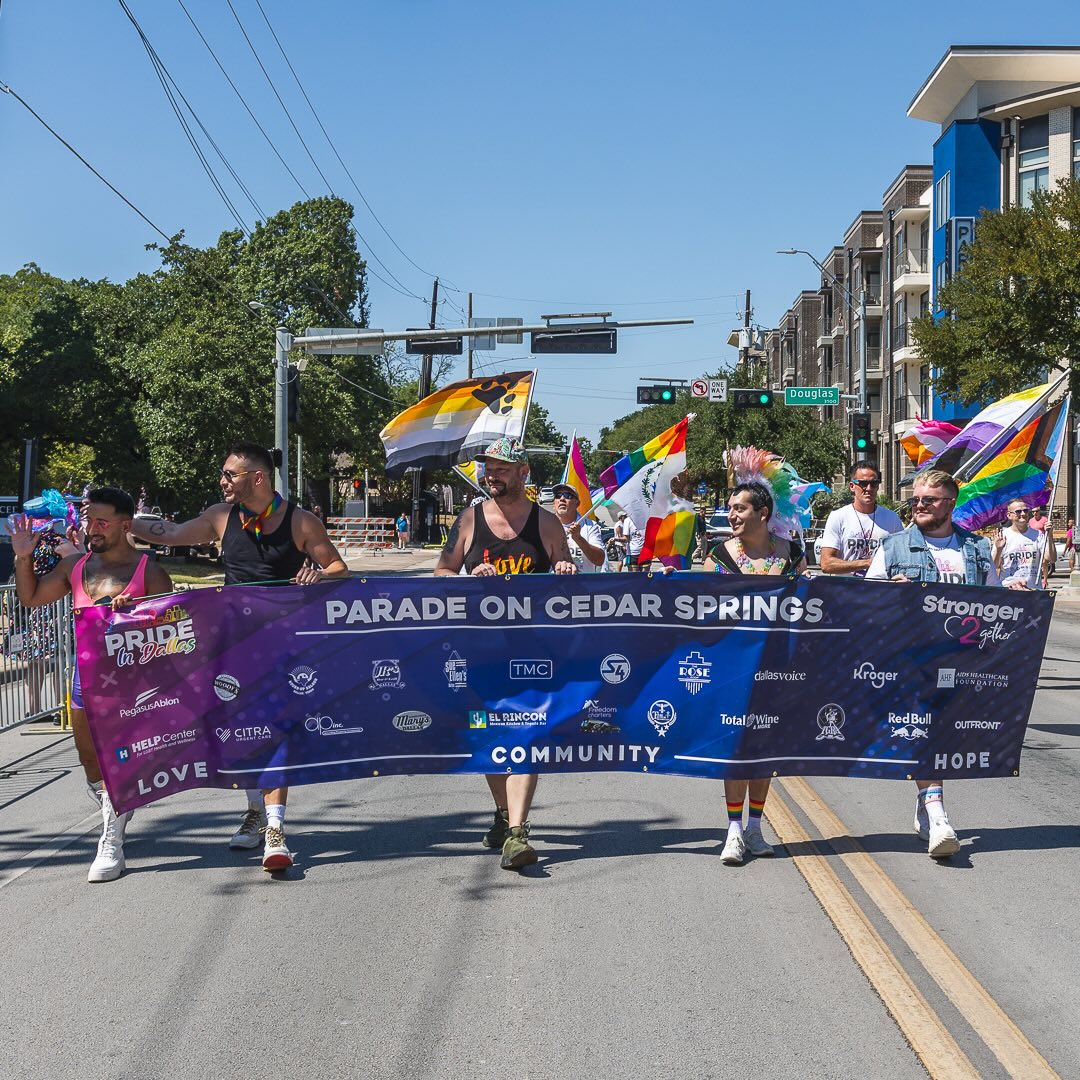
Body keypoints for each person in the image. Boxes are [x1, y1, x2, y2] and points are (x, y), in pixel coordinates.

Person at [129, 442, 349, 872]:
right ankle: (255, 811)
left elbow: (340, 570)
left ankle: (275, 829)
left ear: (258, 478)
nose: (223, 480)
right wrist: (125, 523)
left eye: (231, 474)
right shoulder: (221, 516)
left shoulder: (301, 521)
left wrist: (319, 575)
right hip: (231, 646)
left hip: (284, 645)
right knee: (240, 735)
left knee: (275, 732)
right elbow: (170, 533)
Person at [10, 488, 174, 882]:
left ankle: (111, 838)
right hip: (88, 681)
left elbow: (174, 633)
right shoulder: (76, 568)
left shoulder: (149, 571)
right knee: (89, 760)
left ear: (125, 524)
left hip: (137, 688)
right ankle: (111, 804)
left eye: (101, 521)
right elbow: (30, 598)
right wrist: (22, 556)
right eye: (88, 521)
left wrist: (137, 616)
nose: (92, 528)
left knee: (122, 762)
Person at [866, 469, 1026, 858]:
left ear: (950, 504)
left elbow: (989, 601)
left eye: (929, 500)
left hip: (962, 662)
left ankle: (926, 803)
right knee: (924, 732)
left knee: (944, 736)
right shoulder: (893, 547)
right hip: (911, 660)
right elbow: (864, 604)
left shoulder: (975, 548)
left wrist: (1012, 592)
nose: (919, 505)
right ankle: (939, 818)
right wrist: (890, 595)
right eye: (915, 499)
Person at [434, 437, 576, 871]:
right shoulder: (469, 520)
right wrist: (469, 576)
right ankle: (501, 814)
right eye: (487, 469)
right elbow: (441, 573)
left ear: (523, 473)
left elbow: (566, 577)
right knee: (487, 739)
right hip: (480, 657)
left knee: (526, 737)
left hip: (535, 656)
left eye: (500, 468)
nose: (490, 475)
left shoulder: (546, 524)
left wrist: (564, 569)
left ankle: (517, 833)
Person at [705, 480, 806, 866]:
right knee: (736, 747)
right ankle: (732, 831)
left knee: (764, 746)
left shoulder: (791, 554)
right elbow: (702, 606)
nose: (731, 515)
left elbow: (807, 604)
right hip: (732, 666)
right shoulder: (719, 556)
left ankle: (755, 827)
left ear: (763, 514)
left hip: (778, 668)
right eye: (730, 508)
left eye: (740, 508)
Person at [819, 461, 902, 576]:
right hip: (846, 589)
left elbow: (902, 558)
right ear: (852, 486)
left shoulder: (892, 518)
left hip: (880, 590)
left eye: (874, 484)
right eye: (863, 483)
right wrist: (866, 563)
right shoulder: (838, 516)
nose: (869, 488)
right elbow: (826, 564)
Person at [993, 498, 1053, 589]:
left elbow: (1051, 558)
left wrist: (1049, 535)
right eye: (1018, 511)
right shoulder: (1003, 536)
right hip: (1009, 589)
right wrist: (998, 549)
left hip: (1032, 590)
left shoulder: (1037, 534)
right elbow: (993, 567)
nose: (1023, 514)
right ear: (1009, 515)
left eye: (1025, 510)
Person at [550, 483, 605, 573]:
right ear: (554, 503)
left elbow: (599, 560)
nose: (562, 499)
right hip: (553, 585)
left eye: (568, 496)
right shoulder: (544, 525)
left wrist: (578, 538)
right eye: (558, 496)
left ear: (577, 503)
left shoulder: (590, 526)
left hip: (582, 585)